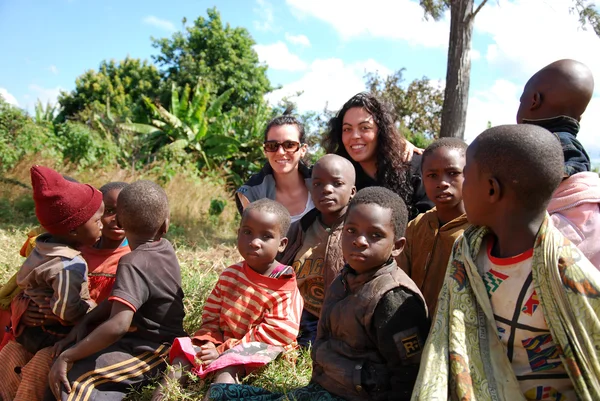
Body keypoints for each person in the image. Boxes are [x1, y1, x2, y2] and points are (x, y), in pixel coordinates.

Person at [412, 125, 600, 400]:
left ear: (491, 189)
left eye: (467, 177)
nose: (461, 187)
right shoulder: (466, 254)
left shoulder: (570, 274)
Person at [207, 187, 430, 401]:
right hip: (322, 390)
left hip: (356, 397)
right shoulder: (343, 279)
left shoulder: (395, 298)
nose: (360, 241)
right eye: (351, 230)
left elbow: (408, 374)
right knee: (220, 395)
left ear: (397, 246)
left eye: (375, 235)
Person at [46, 180, 186, 401]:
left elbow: (118, 325)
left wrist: (68, 355)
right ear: (165, 225)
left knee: (74, 384)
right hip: (139, 344)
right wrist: (85, 323)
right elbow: (117, 301)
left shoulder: (132, 262)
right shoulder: (164, 249)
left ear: (120, 221)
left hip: (153, 350)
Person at [152, 199, 302, 399]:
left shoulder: (283, 284)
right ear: (238, 233)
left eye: (266, 236)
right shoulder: (230, 275)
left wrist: (224, 350)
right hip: (224, 341)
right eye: (247, 232)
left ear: (282, 244)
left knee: (227, 370)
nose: (254, 242)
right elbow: (212, 316)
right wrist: (209, 342)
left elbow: (278, 333)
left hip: (264, 350)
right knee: (182, 358)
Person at [0, 181, 132, 401]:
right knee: (11, 354)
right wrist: (25, 310)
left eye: (124, 212)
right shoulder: (67, 249)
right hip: (42, 331)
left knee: (43, 362)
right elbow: (21, 288)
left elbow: (119, 316)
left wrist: (75, 316)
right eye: (108, 212)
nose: (116, 220)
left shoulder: (129, 260)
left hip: (83, 339)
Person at [517, 59, 600, 269]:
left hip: (563, 231)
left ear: (534, 100)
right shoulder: (571, 143)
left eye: (521, 100)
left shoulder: (543, 143)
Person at [280, 154, 356, 347]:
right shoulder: (300, 228)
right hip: (296, 312)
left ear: (353, 191)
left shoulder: (358, 231)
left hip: (337, 316)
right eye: (318, 184)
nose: (326, 190)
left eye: (337, 183)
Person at [323, 92, 433, 219]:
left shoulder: (415, 167)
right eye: (347, 129)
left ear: (382, 131)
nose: (354, 136)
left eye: (365, 128)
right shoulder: (341, 177)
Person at [398, 138, 469, 317]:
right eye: (432, 175)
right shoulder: (416, 226)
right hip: (415, 326)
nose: (442, 182)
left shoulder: (478, 229)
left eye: (453, 173)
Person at [236, 115, 314, 223]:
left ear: (303, 150)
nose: (280, 152)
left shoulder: (322, 184)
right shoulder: (252, 194)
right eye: (272, 146)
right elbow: (252, 237)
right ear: (265, 150)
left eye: (289, 145)